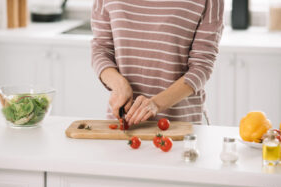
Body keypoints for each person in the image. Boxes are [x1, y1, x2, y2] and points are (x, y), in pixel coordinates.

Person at [91, 0, 224, 126]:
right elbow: (101, 49)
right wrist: (119, 85)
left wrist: (156, 104)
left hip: (179, 126)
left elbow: (202, 66)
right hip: (123, 124)